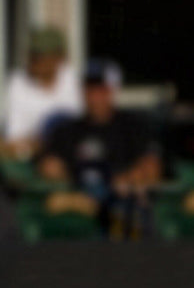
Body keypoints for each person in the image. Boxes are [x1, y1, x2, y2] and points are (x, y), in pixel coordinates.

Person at [37, 59, 161, 237]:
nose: (95, 96)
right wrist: (68, 183)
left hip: (120, 202)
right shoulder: (66, 130)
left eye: (101, 90)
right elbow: (48, 166)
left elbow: (152, 165)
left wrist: (131, 177)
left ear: (112, 91)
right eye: (89, 89)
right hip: (80, 199)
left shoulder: (133, 126)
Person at [2, 27, 81, 161]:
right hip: (28, 159)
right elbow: (12, 141)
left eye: (40, 55)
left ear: (59, 57)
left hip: (70, 157)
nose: (34, 60)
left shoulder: (73, 81)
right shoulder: (17, 83)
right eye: (32, 54)